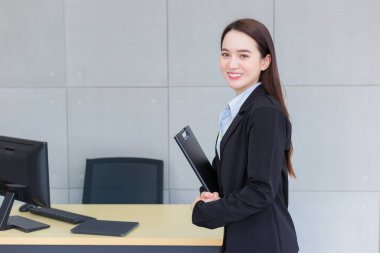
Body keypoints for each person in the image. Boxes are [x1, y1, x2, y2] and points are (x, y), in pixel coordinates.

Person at [191, 18, 299, 253]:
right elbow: (228, 174)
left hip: (264, 242)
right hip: (245, 238)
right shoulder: (240, 110)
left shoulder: (265, 112)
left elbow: (261, 190)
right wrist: (209, 194)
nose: (232, 64)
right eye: (225, 54)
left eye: (243, 55)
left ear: (265, 61)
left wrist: (204, 213)